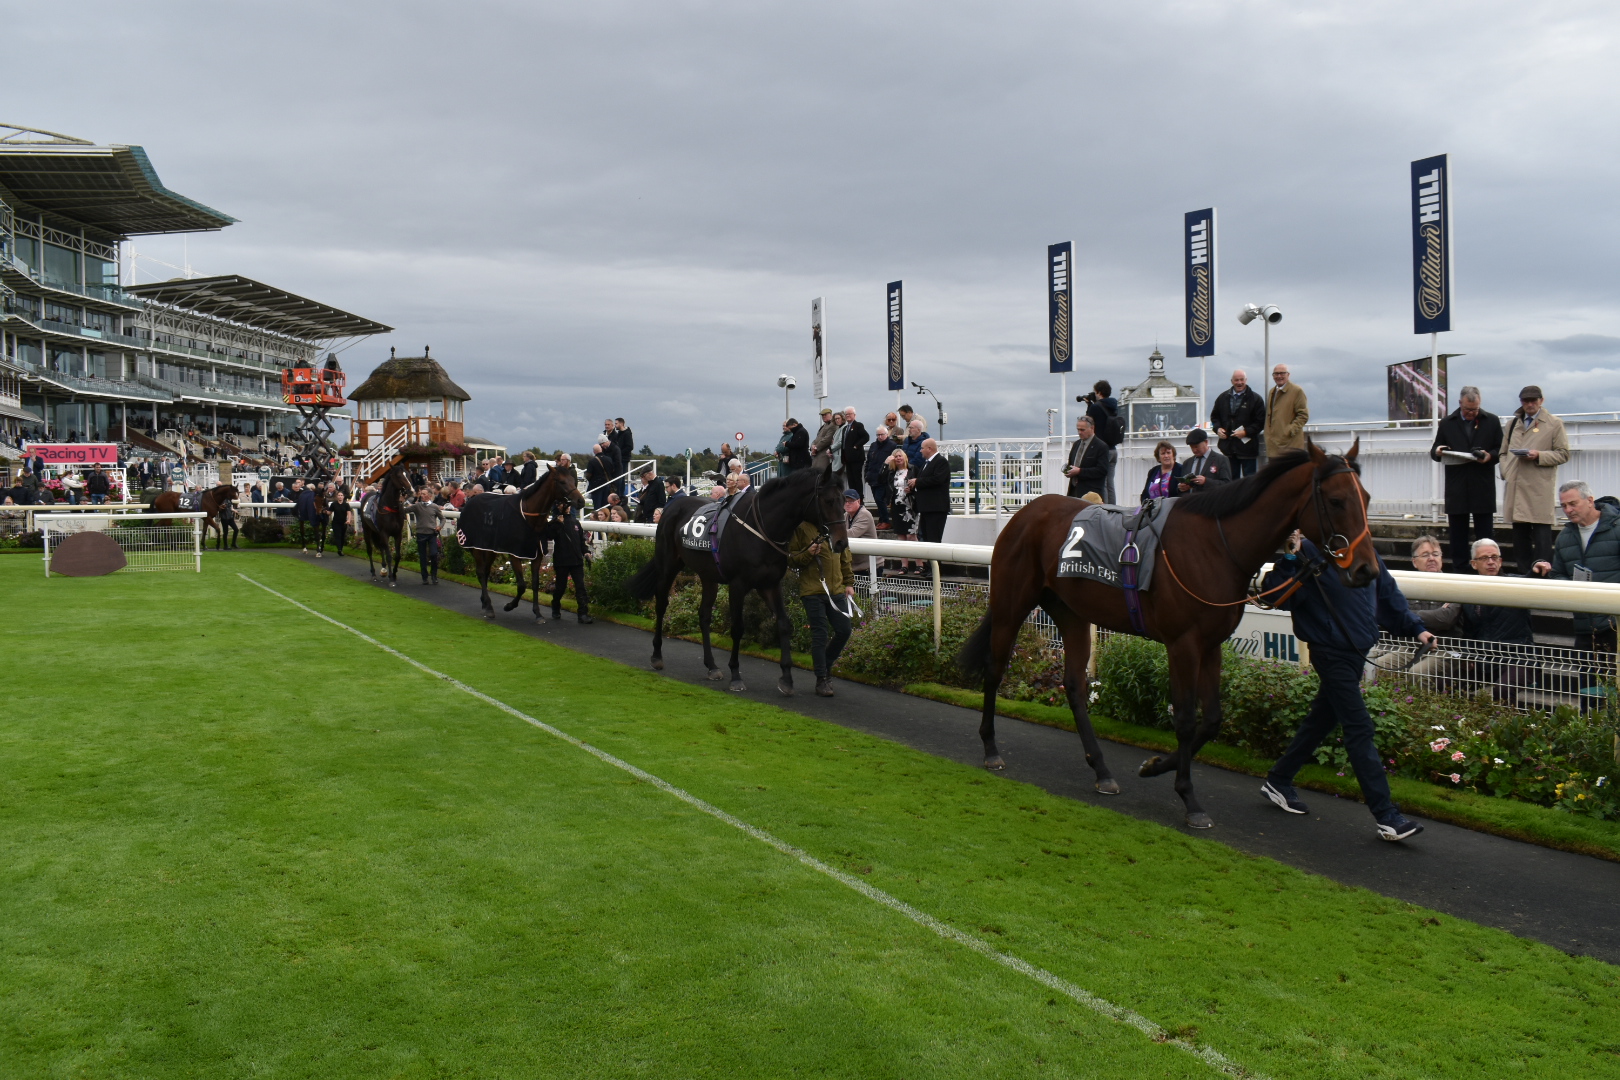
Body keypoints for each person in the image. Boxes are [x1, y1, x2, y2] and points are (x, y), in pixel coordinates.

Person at [1259, 530, 1435, 842]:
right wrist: (1289, 557)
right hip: (1329, 652)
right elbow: (1275, 596)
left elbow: (1387, 594)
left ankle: (1279, 779)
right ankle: (1387, 816)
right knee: (1359, 726)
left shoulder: (1363, 548)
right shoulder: (1307, 551)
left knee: (1322, 719)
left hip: (1356, 651)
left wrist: (1417, 629)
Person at [1534, 480, 1620, 652]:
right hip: (1584, 627)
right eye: (1564, 506)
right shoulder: (1564, 537)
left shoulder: (1616, 528)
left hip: (1615, 624)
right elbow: (1557, 574)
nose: (1568, 510)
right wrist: (1573, 587)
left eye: (1573, 504)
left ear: (1590, 501)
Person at [1430, 386, 1503, 573]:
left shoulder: (1492, 421)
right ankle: (1460, 571)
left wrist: (1489, 456)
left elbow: (1501, 449)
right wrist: (1439, 451)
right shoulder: (1447, 423)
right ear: (1460, 404)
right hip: (1457, 486)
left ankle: (1488, 570)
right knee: (1457, 535)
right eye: (1467, 409)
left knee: (1485, 535)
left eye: (1475, 409)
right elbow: (1435, 450)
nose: (1471, 413)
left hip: (1482, 485)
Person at [1501, 386, 1570, 575]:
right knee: (1519, 540)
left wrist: (1539, 455)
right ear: (1521, 402)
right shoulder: (1512, 424)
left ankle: (1543, 579)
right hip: (1516, 487)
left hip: (1539, 488)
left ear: (1541, 400)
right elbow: (1503, 452)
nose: (1530, 404)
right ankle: (1524, 576)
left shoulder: (1554, 423)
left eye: (1534, 400)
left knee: (1542, 540)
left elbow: (1563, 454)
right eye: (1526, 400)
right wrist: (1506, 471)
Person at [789, 517, 855, 697]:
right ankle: (822, 678)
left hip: (836, 591)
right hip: (812, 592)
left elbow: (845, 557)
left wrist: (849, 582)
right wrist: (809, 552)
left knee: (844, 630)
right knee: (820, 634)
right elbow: (792, 559)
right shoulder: (801, 528)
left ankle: (825, 665)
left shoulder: (836, 526)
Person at [1210, 368, 1266, 478]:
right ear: (1231, 381)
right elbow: (1215, 417)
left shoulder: (1256, 399)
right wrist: (1218, 429)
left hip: (1248, 449)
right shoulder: (1222, 398)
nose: (1239, 383)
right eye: (1236, 380)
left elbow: (1260, 422)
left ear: (1246, 380)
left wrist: (1245, 432)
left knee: (1249, 482)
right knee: (1231, 481)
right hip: (1228, 449)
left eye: (1242, 380)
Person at [545, 505, 593, 623]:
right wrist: (558, 523)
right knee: (561, 587)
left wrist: (586, 552)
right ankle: (555, 606)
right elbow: (549, 536)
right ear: (558, 506)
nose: (567, 507)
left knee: (580, 586)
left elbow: (581, 541)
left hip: (576, 560)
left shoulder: (575, 522)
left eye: (568, 505)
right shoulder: (554, 522)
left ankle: (583, 614)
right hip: (562, 560)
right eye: (563, 504)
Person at [1084, 379, 1121, 502]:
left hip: (1102, 450)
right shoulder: (1114, 406)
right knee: (1110, 483)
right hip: (1113, 449)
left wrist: (1089, 405)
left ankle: (1104, 509)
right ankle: (1113, 509)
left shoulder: (1096, 407)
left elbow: (1087, 422)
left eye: (1095, 392)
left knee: (1102, 482)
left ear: (1099, 392)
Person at [909, 437, 951, 545]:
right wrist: (913, 487)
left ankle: (936, 557)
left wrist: (917, 481)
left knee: (934, 539)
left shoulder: (941, 461)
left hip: (936, 508)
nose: (920, 451)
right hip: (926, 508)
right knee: (926, 539)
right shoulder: (926, 463)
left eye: (922, 448)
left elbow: (938, 479)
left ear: (929, 449)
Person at [1263, 364, 1309, 456]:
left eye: (1282, 373)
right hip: (1273, 445)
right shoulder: (1272, 391)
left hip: (1290, 445)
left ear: (1288, 375)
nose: (1279, 376)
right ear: (1273, 376)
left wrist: (1289, 431)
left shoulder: (1297, 391)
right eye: (1276, 374)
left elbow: (1303, 415)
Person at [885, 448, 919, 575]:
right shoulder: (891, 472)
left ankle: (919, 564)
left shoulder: (913, 469)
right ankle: (904, 565)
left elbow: (920, 484)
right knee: (901, 536)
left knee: (911, 536)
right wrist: (885, 464)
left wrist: (912, 490)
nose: (898, 458)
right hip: (897, 506)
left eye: (900, 456)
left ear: (905, 457)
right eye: (896, 456)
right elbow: (880, 479)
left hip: (910, 506)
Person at [1063, 415, 1107, 500]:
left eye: (1082, 430)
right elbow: (1071, 464)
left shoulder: (1101, 446)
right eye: (1078, 429)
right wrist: (1068, 470)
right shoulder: (1076, 444)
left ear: (1092, 428)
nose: (1079, 432)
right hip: (1074, 491)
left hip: (1091, 494)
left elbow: (1102, 470)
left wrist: (1080, 471)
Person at [1177, 429, 1231, 494]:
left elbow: (1227, 485)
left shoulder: (1221, 460)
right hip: (1192, 499)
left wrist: (1206, 481)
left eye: (1196, 447)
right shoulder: (1187, 463)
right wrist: (1181, 488)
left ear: (1206, 442)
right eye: (1192, 447)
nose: (1194, 450)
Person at [843, 487, 878, 579]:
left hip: (869, 565)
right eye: (845, 501)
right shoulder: (846, 515)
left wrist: (833, 532)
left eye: (851, 501)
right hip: (856, 565)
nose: (847, 504)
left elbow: (852, 534)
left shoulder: (864, 514)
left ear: (858, 501)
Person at [865, 427, 896, 528]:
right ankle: (882, 519)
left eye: (882, 434)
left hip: (884, 478)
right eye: (878, 435)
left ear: (887, 434)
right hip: (872, 477)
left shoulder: (892, 446)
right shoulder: (873, 445)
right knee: (877, 500)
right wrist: (866, 473)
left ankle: (886, 521)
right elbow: (868, 461)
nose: (880, 437)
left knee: (880, 499)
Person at [840, 407, 869, 500]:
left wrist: (856, 446)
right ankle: (852, 498)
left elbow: (866, 437)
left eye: (850, 414)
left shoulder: (858, 425)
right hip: (847, 458)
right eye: (846, 414)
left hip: (856, 458)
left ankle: (860, 498)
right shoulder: (845, 428)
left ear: (854, 415)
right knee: (850, 480)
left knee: (857, 479)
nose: (848, 415)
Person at [294, 481, 319, 552]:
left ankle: (304, 546)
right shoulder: (313, 494)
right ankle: (318, 547)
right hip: (313, 513)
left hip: (302, 513)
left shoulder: (302, 494)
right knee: (316, 528)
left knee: (302, 526)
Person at [585, 445, 610, 510]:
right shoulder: (609, 459)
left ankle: (598, 516)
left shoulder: (592, 461)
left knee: (597, 506)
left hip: (596, 486)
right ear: (601, 449)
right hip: (607, 484)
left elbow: (588, 475)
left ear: (594, 451)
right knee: (605, 505)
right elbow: (612, 470)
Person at [329, 488, 352, 557]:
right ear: (337, 496)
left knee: (342, 536)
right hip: (336, 522)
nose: (340, 497)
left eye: (341, 495)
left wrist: (349, 520)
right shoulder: (334, 504)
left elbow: (349, 513)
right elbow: (330, 512)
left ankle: (340, 549)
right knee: (338, 535)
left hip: (343, 523)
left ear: (343, 497)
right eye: (339, 495)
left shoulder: (346, 504)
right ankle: (339, 549)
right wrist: (325, 511)